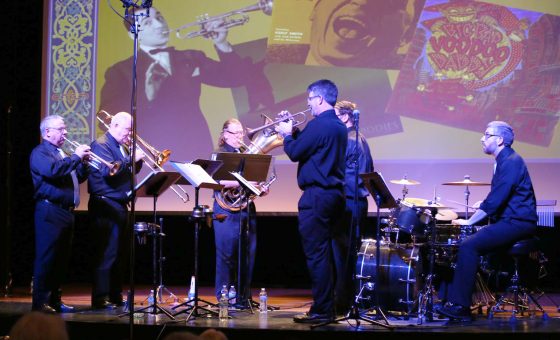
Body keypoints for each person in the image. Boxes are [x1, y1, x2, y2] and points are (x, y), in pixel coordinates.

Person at [99, 6, 269, 161]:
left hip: (195, 145)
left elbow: (235, 78)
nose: (159, 25)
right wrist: (148, 97)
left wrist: (221, 42)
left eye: (160, 17)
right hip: (150, 152)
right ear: (133, 34)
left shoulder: (190, 57)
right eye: (148, 22)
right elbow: (105, 120)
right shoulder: (120, 71)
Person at [437, 121, 538, 321]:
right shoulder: (504, 160)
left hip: (518, 222)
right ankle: (449, 300)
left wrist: (470, 222)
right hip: (510, 220)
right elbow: (502, 196)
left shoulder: (510, 161)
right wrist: (484, 203)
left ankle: (461, 308)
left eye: (487, 135)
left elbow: (496, 200)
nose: (482, 138)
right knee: (463, 246)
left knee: (469, 246)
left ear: (499, 140)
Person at [275, 79, 347, 323]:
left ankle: (321, 311)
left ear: (319, 98)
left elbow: (295, 152)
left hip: (317, 196)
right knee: (327, 254)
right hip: (335, 196)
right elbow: (310, 146)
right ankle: (329, 306)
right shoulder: (337, 126)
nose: (308, 104)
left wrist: (286, 135)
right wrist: (294, 130)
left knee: (316, 255)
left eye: (309, 99)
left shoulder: (319, 125)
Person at [29, 115, 90, 313]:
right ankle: (40, 303)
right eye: (61, 129)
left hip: (65, 213)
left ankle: (55, 300)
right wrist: (76, 157)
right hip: (50, 210)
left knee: (60, 260)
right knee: (47, 258)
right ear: (47, 132)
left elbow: (75, 177)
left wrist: (84, 164)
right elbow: (52, 171)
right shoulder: (40, 153)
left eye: (65, 129)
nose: (65, 132)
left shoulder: (61, 153)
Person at [87, 111, 145, 309]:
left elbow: (127, 171)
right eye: (128, 130)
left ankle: (115, 294)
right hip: (105, 205)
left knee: (120, 254)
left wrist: (137, 161)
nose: (130, 135)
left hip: (120, 204)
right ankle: (100, 297)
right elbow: (108, 171)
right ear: (115, 125)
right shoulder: (101, 144)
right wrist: (131, 159)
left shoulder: (121, 146)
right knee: (107, 253)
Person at [266, 0, 424, 69]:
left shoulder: (419, 84)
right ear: (315, 9)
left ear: (408, 34)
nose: (363, 2)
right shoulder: (270, 58)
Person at [211, 118, 258, 307]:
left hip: (246, 208)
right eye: (235, 133)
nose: (240, 137)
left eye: (241, 133)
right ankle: (224, 297)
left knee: (247, 254)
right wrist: (241, 183)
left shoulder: (248, 154)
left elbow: (254, 181)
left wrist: (260, 187)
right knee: (226, 255)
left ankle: (243, 297)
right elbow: (214, 181)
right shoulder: (219, 155)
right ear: (224, 134)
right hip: (225, 210)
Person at [333, 100, 374, 315]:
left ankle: (343, 301)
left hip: (350, 201)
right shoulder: (358, 139)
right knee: (346, 254)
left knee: (344, 255)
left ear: (346, 117)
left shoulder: (350, 140)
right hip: (356, 201)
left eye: (335, 115)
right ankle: (345, 298)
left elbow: (347, 176)